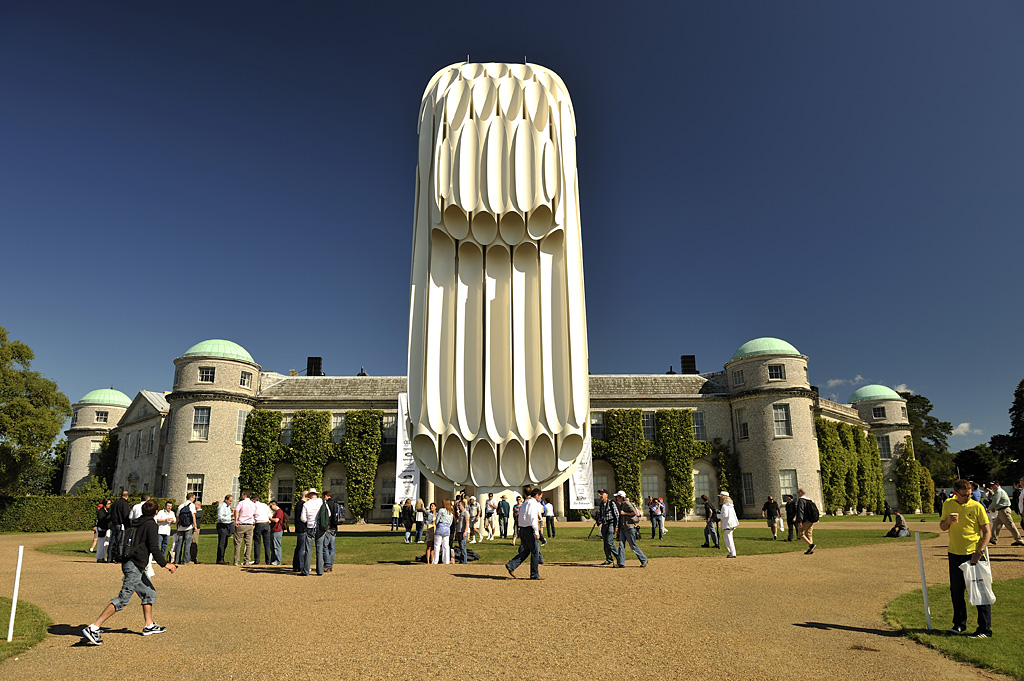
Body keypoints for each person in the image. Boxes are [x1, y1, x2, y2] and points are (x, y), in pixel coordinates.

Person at [81, 499, 177, 645]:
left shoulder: (137, 522)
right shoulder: (150, 524)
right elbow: (154, 547)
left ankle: (149, 625)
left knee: (148, 593)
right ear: (156, 512)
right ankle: (94, 627)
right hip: (134, 565)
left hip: (132, 563)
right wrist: (166, 564)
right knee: (123, 599)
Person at [940, 479, 993, 638]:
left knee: (979, 592)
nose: (968, 498)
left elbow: (987, 532)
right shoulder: (948, 504)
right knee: (956, 591)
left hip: (974, 554)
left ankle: (984, 630)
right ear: (955, 493)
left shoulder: (977, 506)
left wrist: (980, 551)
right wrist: (949, 520)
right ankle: (959, 624)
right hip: (954, 553)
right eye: (964, 495)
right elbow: (942, 527)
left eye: (970, 494)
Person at [505, 487, 545, 579]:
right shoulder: (533, 503)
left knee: (526, 551)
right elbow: (533, 518)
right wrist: (537, 532)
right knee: (535, 552)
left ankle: (512, 565)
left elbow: (520, 516)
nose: (540, 499)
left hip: (522, 528)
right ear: (537, 495)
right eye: (540, 496)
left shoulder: (525, 503)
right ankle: (534, 574)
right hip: (529, 529)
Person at [614, 491, 648, 568]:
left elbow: (634, 513)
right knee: (621, 545)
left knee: (633, 545)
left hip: (629, 528)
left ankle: (643, 559)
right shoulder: (621, 504)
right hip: (623, 528)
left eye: (617, 497)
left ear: (621, 497)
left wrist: (625, 513)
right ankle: (621, 563)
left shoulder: (627, 504)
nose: (616, 498)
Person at [298, 488, 327, 576]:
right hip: (321, 527)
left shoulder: (306, 504)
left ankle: (306, 570)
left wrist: (309, 520)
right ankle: (320, 570)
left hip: (310, 526)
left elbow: (303, 518)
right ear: (316, 494)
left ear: (309, 495)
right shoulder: (322, 502)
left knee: (308, 549)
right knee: (320, 549)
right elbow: (328, 514)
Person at [985, 481, 1023, 546]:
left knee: (1010, 525)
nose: (991, 486)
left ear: (997, 485)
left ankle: (1019, 539)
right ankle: (993, 539)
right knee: (996, 525)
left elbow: (995, 502)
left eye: (993, 485)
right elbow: (995, 501)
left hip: (1004, 510)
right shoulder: (997, 491)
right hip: (1001, 510)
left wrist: (988, 509)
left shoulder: (998, 491)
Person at [594, 488, 620, 566]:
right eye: (600, 494)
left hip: (611, 523)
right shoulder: (601, 504)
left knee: (609, 542)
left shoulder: (611, 503)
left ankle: (619, 557)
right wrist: (599, 520)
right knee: (605, 543)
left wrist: (617, 526)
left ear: (607, 495)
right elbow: (602, 515)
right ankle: (609, 559)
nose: (600, 495)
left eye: (602, 494)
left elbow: (617, 515)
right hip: (604, 524)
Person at [233, 490, 257, 566]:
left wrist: (236, 520)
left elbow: (236, 511)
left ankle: (236, 561)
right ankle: (247, 560)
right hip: (250, 524)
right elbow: (255, 514)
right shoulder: (253, 504)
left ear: (244, 495)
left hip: (241, 524)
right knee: (249, 544)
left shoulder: (241, 503)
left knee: (238, 543)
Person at [172, 493, 196, 565]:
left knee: (179, 543)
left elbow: (177, 518)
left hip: (180, 527)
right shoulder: (191, 505)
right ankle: (185, 560)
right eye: (194, 498)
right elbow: (193, 515)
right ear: (191, 498)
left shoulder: (180, 506)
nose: (194, 499)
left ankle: (177, 560)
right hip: (188, 526)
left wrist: (177, 527)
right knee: (187, 543)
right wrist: (195, 525)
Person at [108, 489, 131, 562]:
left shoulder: (115, 503)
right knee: (120, 542)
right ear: (127, 496)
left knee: (112, 541)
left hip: (114, 524)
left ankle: (109, 557)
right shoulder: (124, 504)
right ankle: (118, 557)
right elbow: (125, 515)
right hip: (120, 524)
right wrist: (128, 525)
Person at [795, 488, 818, 555]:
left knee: (800, 534)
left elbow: (801, 511)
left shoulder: (801, 500)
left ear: (800, 493)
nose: (797, 494)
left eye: (798, 492)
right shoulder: (809, 500)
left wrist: (800, 521)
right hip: (811, 519)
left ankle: (811, 545)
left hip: (805, 520)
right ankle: (810, 549)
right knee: (809, 534)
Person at [321, 491, 339, 571]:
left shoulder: (327, 504)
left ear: (325, 496)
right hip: (335, 527)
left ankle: (327, 564)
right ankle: (330, 564)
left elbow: (327, 516)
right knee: (332, 546)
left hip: (329, 527)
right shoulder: (335, 503)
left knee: (324, 546)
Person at [717, 491, 739, 558]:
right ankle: (732, 552)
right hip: (731, 524)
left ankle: (732, 553)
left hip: (728, 524)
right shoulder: (731, 506)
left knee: (728, 539)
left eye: (721, 497)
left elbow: (725, 515)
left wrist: (717, 515)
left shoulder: (725, 506)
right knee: (728, 538)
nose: (720, 499)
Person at [252, 494, 272, 564]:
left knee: (257, 543)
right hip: (266, 523)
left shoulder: (253, 506)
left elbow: (252, 516)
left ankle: (257, 560)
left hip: (258, 524)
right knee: (267, 543)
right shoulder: (265, 505)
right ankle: (268, 560)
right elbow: (269, 515)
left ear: (253, 500)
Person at [432, 499, 453, 564]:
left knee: (437, 545)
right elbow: (450, 523)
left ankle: (435, 561)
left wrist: (436, 523)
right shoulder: (450, 513)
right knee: (446, 546)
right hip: (447, 529)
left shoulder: (441, 510)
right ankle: (446, 561)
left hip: (440, 528)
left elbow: (437, 519)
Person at [292, 490, 309, 571]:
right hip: (302, 528)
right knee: (302, 548)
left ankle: (296, 565)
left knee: (299, 547)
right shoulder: (303, 505)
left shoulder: (298, 504)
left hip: (299, 528)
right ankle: (301, 566)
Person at [216, 494, 234, 564]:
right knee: (222, 543)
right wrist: (230, 518)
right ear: (226, 500)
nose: (231, 502)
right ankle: (220, 559)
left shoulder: (227, 507)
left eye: (231, 501)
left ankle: (221, 558)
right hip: (222, 525)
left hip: (227, 525)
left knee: (225, 543)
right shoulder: (221, 507)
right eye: (230, 501)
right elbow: (220, 517)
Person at [268, 500, 288, 565]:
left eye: (271, 506)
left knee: (276, 546)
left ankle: (277, 560)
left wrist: (269, 518)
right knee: (272, 546)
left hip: (277, 530)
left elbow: (276, 520)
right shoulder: (276, 512)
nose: (270, 507)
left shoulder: (279, 512)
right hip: (274, 530)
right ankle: (273, 559)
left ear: (274, 505)